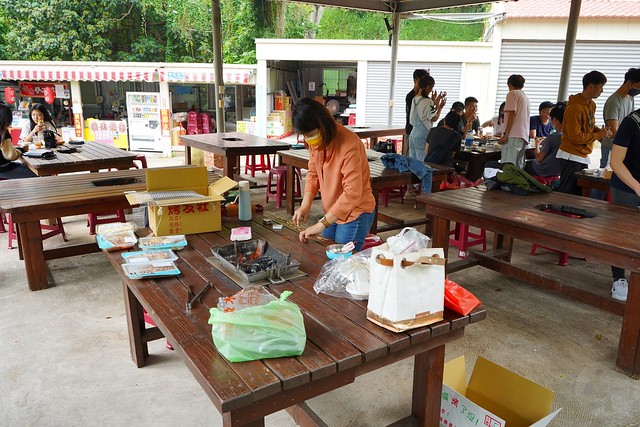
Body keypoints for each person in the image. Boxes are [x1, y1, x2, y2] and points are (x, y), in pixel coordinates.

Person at [291, 98, 376, 252]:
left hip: (355, 211)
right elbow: (313, 174)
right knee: (324, 254)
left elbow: (352, 193)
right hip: (333, 210)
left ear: (322, 125)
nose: (308, 140)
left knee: (342, 263)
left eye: (310, 134)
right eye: (305, 136)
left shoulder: (350, 144)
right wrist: (305, 205)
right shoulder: (316, 141)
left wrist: (321, 224)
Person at [556, 71, 612, 195]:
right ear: (591, 86)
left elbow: (589, 126)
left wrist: (601, 132)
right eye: (600, 87)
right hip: (570, 154)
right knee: (567, 192)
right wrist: (598, 135)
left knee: (578, 192)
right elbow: (575, 137)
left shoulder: (591, 105)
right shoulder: (574, 107)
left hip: (582, 155)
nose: (602, 91)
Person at [607, 107, 640, 301]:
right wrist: (637, 187)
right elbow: (616, 162)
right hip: (626, 186)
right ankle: (619, 278)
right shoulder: (632, 122)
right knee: (620, 234)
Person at [600, 67, 640, 168]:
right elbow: (614, 131)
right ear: (629, 83)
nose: (639, 91)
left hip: (622, 146)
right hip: (610, 148)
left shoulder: (630, 98)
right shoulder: (614, 102)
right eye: (638, 87)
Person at [407, 74, 446, 161]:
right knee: (422, 163)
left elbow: (425, 113)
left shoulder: (415, 99)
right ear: (427, 86)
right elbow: (434, 118)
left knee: (412, 162)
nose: (431, 90)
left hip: (413, 134)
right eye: (431, 87)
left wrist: (435, 102)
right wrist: (440, 107)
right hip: (423, 135)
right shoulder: (428, 101)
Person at [524, 103, 565, 178]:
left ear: (554, 119)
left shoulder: (553, 137)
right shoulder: (569, 136)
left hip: (543, 169)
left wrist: (537, 144)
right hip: (560, 170)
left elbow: (539, 158)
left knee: (524, 164)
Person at [498, 74, 531, 168]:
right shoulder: (525, 97)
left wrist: (505, 134)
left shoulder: (512, 94)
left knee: (508, 167)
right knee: (518, 168)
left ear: (509, 85)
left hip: (513, 136)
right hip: (523, 136)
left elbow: (512, 114)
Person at [0, 103, 36, 179]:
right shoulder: (3, 132)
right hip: (4, 170)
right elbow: (10, 155)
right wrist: (22, 150)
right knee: (36, 173)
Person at [405, 68, 430, 136]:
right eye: (423, 80)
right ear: (416, 80)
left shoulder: (425, 97)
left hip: (422, 132)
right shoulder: (411, 96)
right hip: (412, 131)